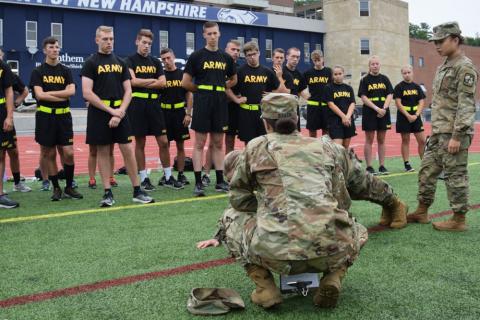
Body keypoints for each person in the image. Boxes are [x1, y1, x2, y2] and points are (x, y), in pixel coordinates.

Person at [227, 93, 407, 309]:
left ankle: (265, 287)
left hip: (274, 253)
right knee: (356, 228)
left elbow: (238, 199)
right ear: (297, 120)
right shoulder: (328, 147)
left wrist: (269, 212)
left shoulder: (255, 148)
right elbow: (362, 183)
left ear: (266, 123)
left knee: (231, 216)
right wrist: (391, 201)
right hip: (330, 250)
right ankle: (334, 277)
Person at [407, 22, 478, 231]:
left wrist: (457, 136)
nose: (437, 46)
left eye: (441, 41)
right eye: (435, 41)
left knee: (455, 176)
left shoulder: (464, 67)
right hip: (439, 132)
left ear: (455, 39)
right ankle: (422, 211)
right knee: (427, 171)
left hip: (453, 133)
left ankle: (458, 219)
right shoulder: (443, 66)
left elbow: (466, 105)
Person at [81, 25, 153, 207]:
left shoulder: (121, 63)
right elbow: (87, 93)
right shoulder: (91, 62)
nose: (109, 42)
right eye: (105, 39)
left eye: (111, 39)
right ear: (97, 40)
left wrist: (120, 111)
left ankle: (137, 190)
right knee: (103, 151)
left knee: (128, 149)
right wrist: (111, 111)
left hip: (120, 112)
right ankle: (107, 193)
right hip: (100, 113)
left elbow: (128, 91)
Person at [182, 21, 237, 197]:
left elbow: (234, 80)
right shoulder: (196, 56)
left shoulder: (226, 57)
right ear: (204, 35)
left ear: (219, 34)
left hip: (220, 101)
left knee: (218, 143)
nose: (213, 36)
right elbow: (185, 82)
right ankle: (198, 183)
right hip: (203, 101)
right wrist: (202, 91)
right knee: (199, 143)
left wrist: (220, 86)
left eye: (215, 33)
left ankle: (220, 181)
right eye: (209, 34)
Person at [126, 29, 182, 191]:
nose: (146, 46)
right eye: (144, 42)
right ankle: (143, 178)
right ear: (137, 41)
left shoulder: (156, 62)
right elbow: (133, 82)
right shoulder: (129, 61)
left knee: (164, 142)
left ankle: (168, 176)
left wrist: (143, 81)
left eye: (149, 44)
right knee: (140, 143)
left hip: (154, 105)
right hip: (137, 105)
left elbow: (162, 83)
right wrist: (152, 80)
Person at [29, 36, 83, 201]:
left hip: (64, 117)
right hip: (45, 117)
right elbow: (39, 95)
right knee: (49, 153)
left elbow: (72, 92)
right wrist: (61, 95)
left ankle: (68, 187)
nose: (55, 50)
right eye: (51, 47)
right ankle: (56, 188)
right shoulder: (38, 71)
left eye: (57, 47)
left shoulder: (66, 70)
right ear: (45, 50)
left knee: (68, 153)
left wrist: (49, 94)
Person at [226, 41, 287, 145]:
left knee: (263, 143)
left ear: (259, 53)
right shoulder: (240, 71)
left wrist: (271, 95)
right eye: (249, 55)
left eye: (254, 54)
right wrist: (236, 99)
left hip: (262, 113)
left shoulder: (267, 72)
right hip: (245, 113)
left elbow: (280, 90)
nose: (252, 57)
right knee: (249, 144)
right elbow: (226, 87)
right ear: (245, 57)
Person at [202, 39, 242, 187]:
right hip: (218, 107)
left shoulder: (239, 68)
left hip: (234, 111)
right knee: (213, 142)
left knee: (230, 142)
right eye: (233, 49)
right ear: (226, 49)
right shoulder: (219, 64)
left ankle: (227, 174)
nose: (236, 53)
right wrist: (231, 97)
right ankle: (206, 173)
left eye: (238, 50)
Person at [160, 48, 193, 186]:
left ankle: (180, 174)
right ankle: (167, 174)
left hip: (180, 112)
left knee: (180, 146)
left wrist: (188, 113)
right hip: (164, 113)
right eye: (164, 59)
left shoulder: (182, 74)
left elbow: (189, 94)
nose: (167, 61)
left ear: (174, 57)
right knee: (164, 145)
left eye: (168, 58)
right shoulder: (160, 76)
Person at [0, 48, 31, 193]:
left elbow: (24, 90)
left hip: (4, 116)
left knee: (13, 151)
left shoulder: (6, 71)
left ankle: (17, 183)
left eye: (1, 54)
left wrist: (14, 105)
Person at [358, 56, 394, 175]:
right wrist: (376, 108)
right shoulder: (365, 80)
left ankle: (382, 165)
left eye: (377, 63)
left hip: (383, 111)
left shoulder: (385, 79)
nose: (375, 66)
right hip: (370, 112)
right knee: (369, 139)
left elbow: (389, 94)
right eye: (372, 64)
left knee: (381, 139)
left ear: (380, 65)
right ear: (369, 66)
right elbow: (363, 97)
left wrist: (384, 108)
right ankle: (369, 166)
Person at [393, 65, 426, 172]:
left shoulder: (417, 87)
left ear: (412, 72)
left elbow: (421, 102)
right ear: (402, 74)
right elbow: (398, 103)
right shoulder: (399, 87)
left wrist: (416, 115)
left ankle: (424, 163)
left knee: (422, 140)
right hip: (404, 116)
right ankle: (407, 164)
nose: (407, 74)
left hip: (416, 116)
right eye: (404, 73)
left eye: (408, 72)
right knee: (405, 140)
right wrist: (407, 115)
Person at [0, 53, 19, 208]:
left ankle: (0, 194)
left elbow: (9, 92)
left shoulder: (3, 67)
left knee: (1, 154)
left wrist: (9, 116)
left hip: (1, 114)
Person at [325, 65, 356, 148]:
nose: (338, 76)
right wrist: (343, 117)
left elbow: (352, 103)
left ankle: (345, 161)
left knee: (345, 147)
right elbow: (331, 104)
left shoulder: (348, 88)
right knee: (338, 147)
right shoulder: (328, 87)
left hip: (348, 120)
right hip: (335, 121)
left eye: (340, 73)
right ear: (332, 76)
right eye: (335, 74)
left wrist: (348, 116)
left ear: (343, 74)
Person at [303, 50, 332, 137]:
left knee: (326, 131)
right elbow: (301, 88)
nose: (317, 62)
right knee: (312, 131)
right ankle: (314, 150)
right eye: (315, 61)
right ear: (312, 61)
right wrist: (306, 96)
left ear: (322, 59)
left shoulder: (329, 71)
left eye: (319, 60)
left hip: (326, 106)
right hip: (313, 106)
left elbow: (333, 87)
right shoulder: (307, 73)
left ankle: (325, 149)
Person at [284, 47, 309, 130]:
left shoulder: (299, 75)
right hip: (281, 108)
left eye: (297, 57)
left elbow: (303, 93)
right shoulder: (281, 71)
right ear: (287, 56)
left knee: (295, 136)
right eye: (293, 56)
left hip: (294, 109)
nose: (295, 59)